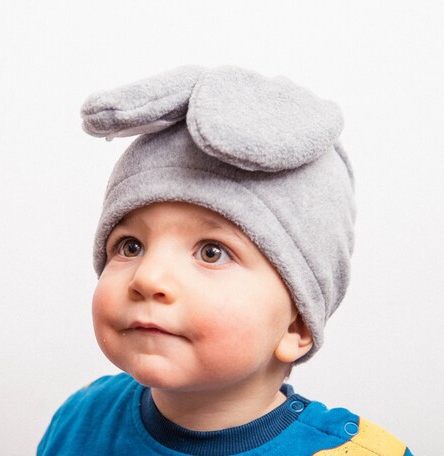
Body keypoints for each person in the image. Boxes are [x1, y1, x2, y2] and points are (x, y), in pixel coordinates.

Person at [38, 65, 412, 455]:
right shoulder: (81, 419)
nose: (147, 278)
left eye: (211, 252)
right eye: (130, 246)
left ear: (296, 324)